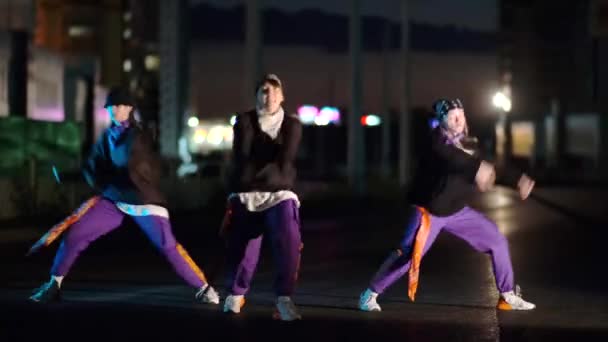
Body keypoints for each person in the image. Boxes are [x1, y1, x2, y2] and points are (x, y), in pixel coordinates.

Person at [28, 87, 220, 305]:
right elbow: (93, 166)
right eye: (111, 106)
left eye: (119, 106)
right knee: (76, 234)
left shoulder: (138, 136)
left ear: (129, 108)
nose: (114, 110)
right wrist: (68, 174)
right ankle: (54, 284)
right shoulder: (107, 136)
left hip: (142, 200)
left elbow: (125, 166)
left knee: (168, 246)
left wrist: (107, 178)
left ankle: (204, 288)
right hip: (116, 199)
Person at [358, 98, 536, 312]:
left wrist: (517, 179)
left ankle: (507, 295)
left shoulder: (468, 143)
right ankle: (370, 294)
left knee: (497, 240)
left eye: (461, 114)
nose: (458, 119)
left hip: (457, 212)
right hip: (428, 212)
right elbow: (453, 159)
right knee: (409, 256)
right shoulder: (435, 143)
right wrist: (477, 167)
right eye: (452, 116)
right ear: (441, 120)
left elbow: (491, 163)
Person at [221, 74, 303, 321]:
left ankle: (283, 299)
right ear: (257, 95)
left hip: (279, 192)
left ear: (283, 96)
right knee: (244, 247)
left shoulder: (291, 124)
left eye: (275, 91)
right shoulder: (244, 121)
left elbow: (285, 158)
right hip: (247, 193)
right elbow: (243, 155)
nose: (270, 96)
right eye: (264, 91)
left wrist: (262, 171)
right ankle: (236, 293)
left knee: (288, 238)